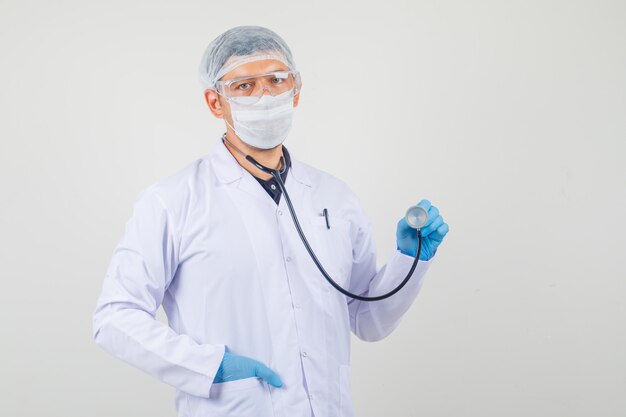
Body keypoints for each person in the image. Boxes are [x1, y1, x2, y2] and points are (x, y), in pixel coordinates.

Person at [93, 25, 449, 417]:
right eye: (244, 86)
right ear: (215, 102)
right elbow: (115, 317)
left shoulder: (335, 197)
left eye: (277, 80)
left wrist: (409, 261)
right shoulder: (172, 201)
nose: (264, 95)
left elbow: (369, 322)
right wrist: (207, 366)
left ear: (296, 90)